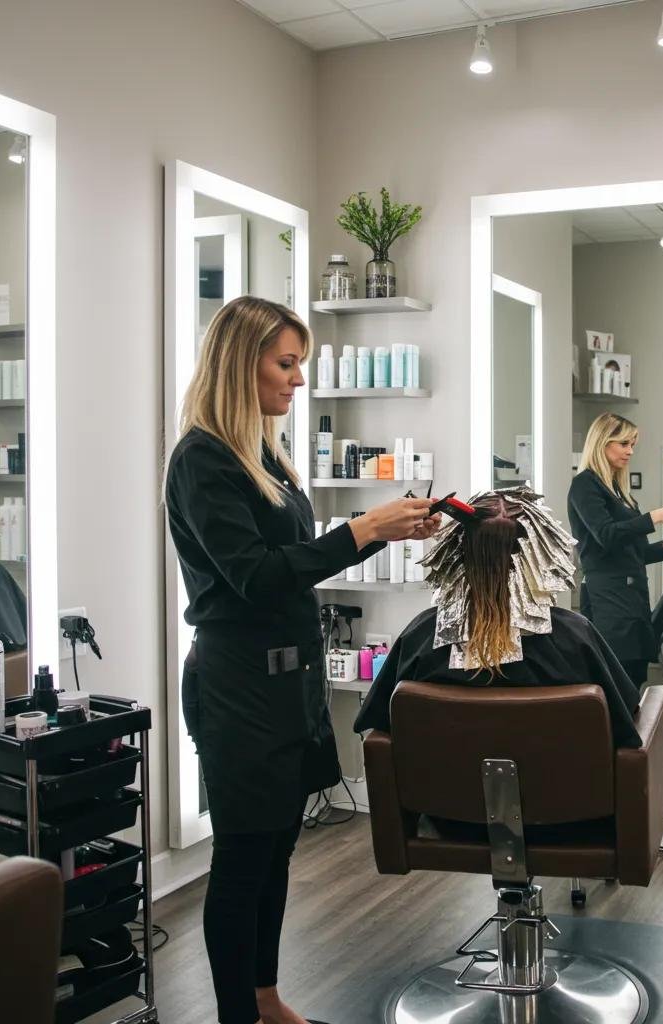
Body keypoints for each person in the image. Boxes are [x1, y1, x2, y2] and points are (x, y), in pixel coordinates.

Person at [165, 295, 439, 1024]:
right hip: (239, 688)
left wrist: (386, 530)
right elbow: (255, 574)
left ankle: (264, 997)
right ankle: (236, 1017)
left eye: (300, 365)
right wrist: (361, 529)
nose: (296, 380)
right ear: (239, 361)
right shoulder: (200, 460)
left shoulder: (262, 454)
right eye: (284, 364)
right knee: (243, 860)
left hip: (289, 681)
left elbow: (296, 560)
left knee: (277, 851)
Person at [355, 488, 643, 749]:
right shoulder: (576, 637)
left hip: (445, 805)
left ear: (458, 551)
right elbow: (625, 726)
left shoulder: (422, 636)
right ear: (541, 553)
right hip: (562, 802)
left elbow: (381, 725)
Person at [567, 412, 663, 689]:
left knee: (635, 675)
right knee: (618, 679)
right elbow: (606, 536)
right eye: (624, 444)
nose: (630, 451)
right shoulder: (586, 485)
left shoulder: (619, 491)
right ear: (602, 442)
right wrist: (655, 517)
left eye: (632, 444)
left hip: (633, 599)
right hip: (609, 600)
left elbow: (634, 553)